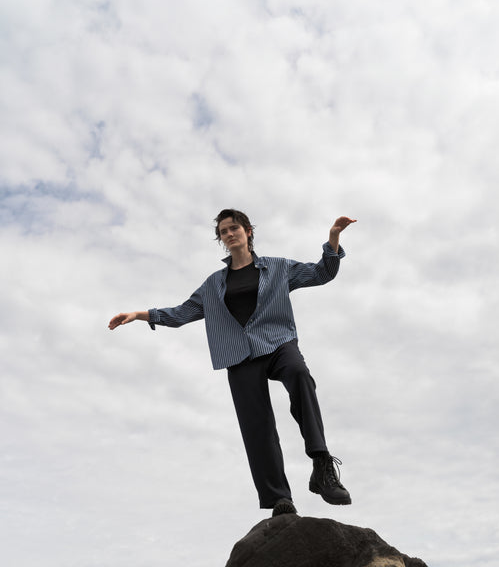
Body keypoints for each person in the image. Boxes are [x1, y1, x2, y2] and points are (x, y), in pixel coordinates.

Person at [109, 209, 356, 517]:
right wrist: (140, 314)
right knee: (257, 425)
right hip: (238, 355)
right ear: (221, 239)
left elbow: (322, 273)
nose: (229, 234)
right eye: (224, 231)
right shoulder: (213, 285)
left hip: (277, 342)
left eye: (234, 228)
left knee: (299, 373)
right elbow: (182, 313)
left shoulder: (278, 268)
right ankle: (279, 498)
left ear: (248, 231)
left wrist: (332, 238)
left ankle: (322, 466)